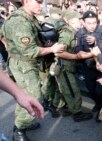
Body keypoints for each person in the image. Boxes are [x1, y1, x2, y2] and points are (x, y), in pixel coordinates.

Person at [1, 0, 65, 141]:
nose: (41, 5)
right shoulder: (19, 21)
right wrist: (52, 49)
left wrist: (9, 45)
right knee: (33, 96)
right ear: (27, 1)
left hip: (26, 62)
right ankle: (19, 130)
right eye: (38, 1)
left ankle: (22, 122)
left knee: (24, 94)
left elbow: (2, 34)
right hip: (24, 64)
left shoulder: (27, 16)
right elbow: (29, 51)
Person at [0, 70, 44, 141]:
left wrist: (18, 94)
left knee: (26, 98)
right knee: (33, 94)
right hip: (23, 62)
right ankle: (19, 130)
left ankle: (23, 125)